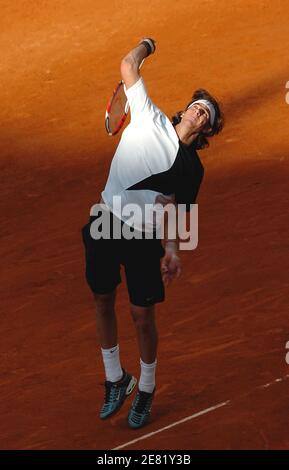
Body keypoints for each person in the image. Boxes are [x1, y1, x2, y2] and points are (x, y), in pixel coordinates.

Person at [81, 38, 224, 429]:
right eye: (197, 105)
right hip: (105, 220)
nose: (199, 111)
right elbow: (128, 63)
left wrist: (173, 251)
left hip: (143, 237)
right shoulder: (149, 116)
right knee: (102, 298)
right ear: (185, 110)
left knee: (142, 317)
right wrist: (148, 44)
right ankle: (116, 380)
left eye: (206, 113)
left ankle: (145, 387)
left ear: (207, 128)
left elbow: (180, 212)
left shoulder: (193, 169)